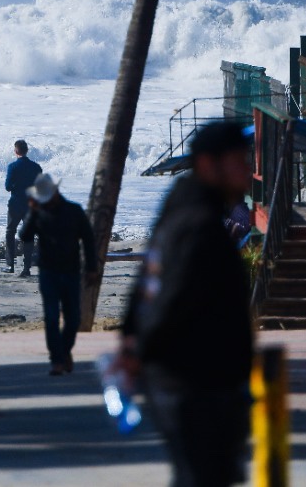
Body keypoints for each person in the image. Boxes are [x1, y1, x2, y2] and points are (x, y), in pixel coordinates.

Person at [116, 122, 255, 487]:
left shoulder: (182, 207)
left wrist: (132, 339)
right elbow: (173, 297)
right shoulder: (200, 226)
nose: (248, 169)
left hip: (190, 381)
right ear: (209, 165)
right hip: (194, 383)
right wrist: (138, 349)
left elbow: (147, 278)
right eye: (239, 161)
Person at [19, 173, 95, 376]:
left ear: (55, 192)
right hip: (48, 271)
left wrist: (92, 268)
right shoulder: (39, 213)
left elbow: (88, 240)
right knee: (51, 317)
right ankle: (57, 360)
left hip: (71, 271)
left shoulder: (74, 211)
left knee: (73, 318)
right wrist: (32, 213)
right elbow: (24, 236)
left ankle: (63, 351)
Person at [4, 139, 42, 276]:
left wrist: (17, 186)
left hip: (15, 203)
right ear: (27, 151)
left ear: (16, 151)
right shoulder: (36, 167)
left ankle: (10, 264)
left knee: (10, 232)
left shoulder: (12, 167)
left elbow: (8, 186)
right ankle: (26, 267)